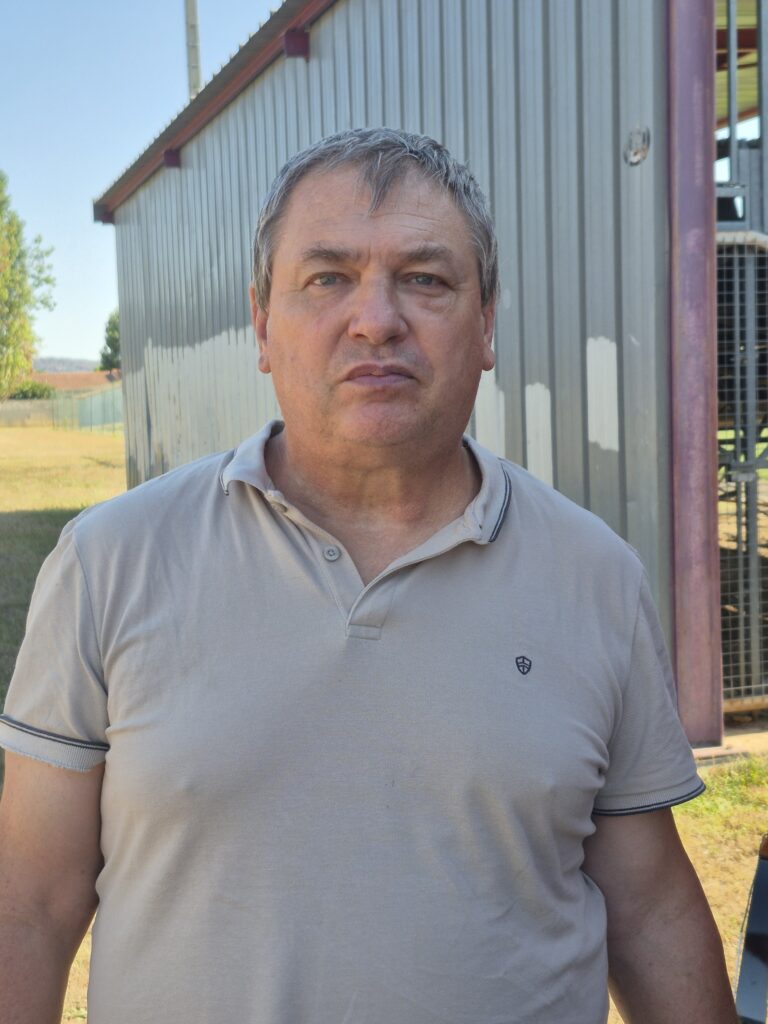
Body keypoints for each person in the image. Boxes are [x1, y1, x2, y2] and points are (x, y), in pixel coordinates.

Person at [0, 128, 736, 1024]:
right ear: (262, 324)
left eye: (425, 279)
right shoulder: (109, 561)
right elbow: (27, 907)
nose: (376, 319)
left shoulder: (596, 578)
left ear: (487, 324)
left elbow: (650, 911)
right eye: (327, 277)